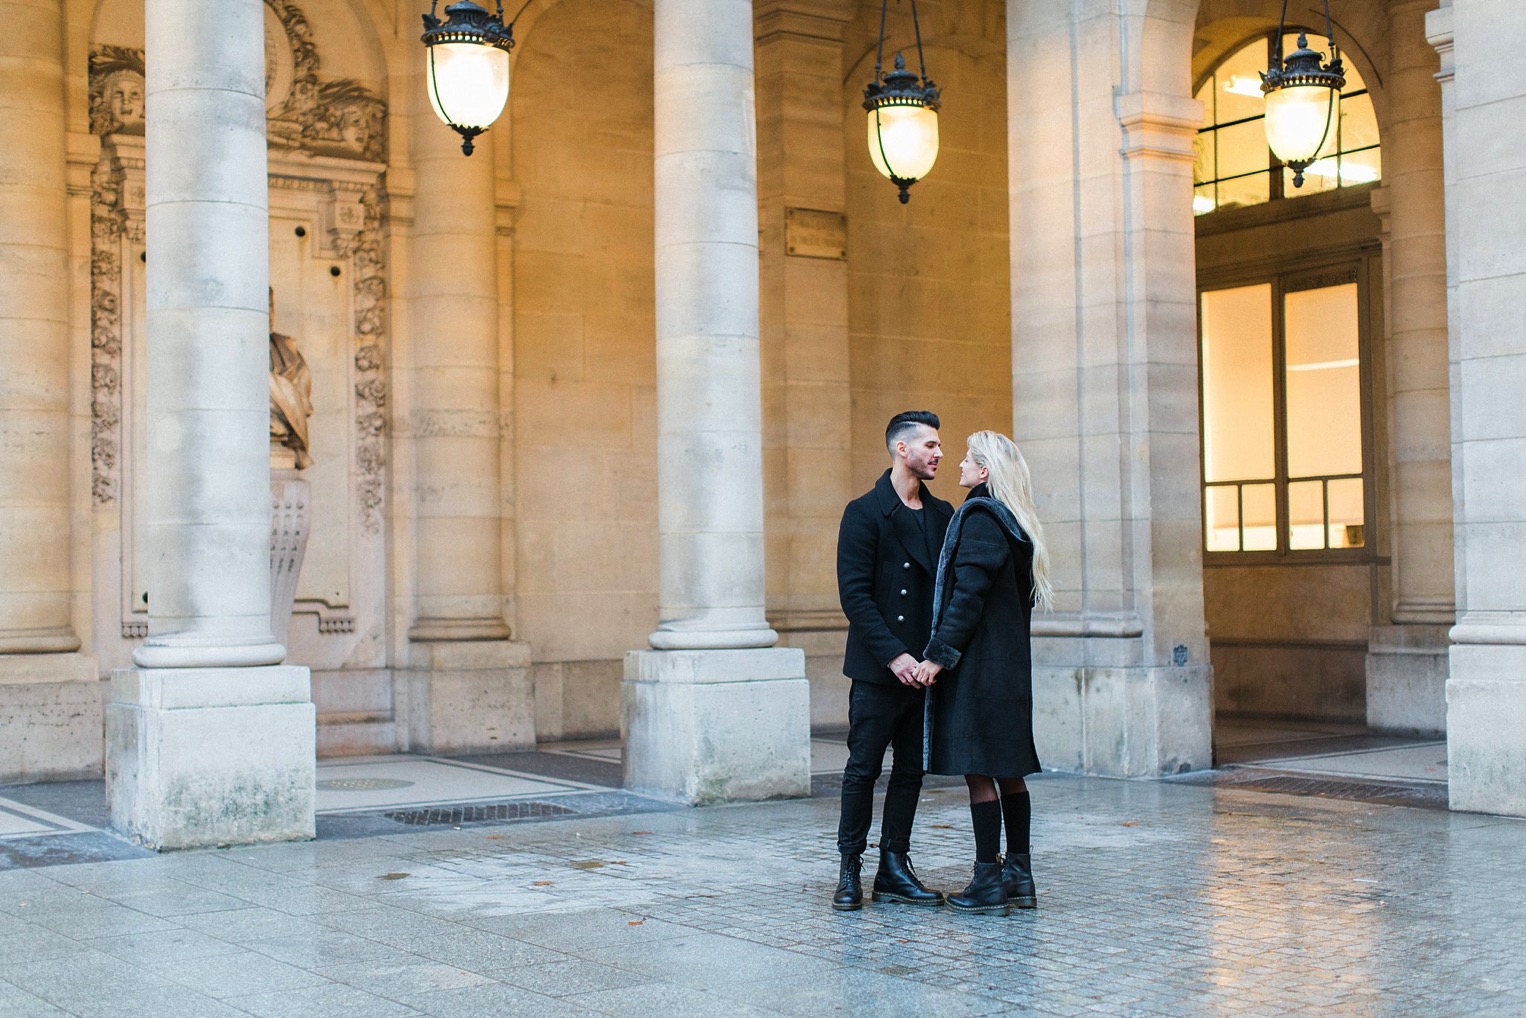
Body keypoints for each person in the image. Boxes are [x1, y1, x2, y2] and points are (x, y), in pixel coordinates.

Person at [913, 431, 1055, 915]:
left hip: (979, 669)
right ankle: (1020, 876)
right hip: (1009, 668)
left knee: (979, 773)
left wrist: (938, 654)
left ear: (985, 471)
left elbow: (966, 596)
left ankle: (987, 881)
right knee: (1009, 773)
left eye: (968, 459)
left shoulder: (980, 518)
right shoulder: (1015, 522)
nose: (958, 465)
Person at [832, 410, 954, 911]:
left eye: (939, 446)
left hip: (925, 671)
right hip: (881, 670)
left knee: (910, 772)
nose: (939, 454)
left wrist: (933, 657)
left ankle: (894, 867)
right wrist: (895, 656)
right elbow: (855, 596)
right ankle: (848, 869)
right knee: (862, 769)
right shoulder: (864, 512)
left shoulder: (945, 513)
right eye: (929, 445)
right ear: (901, 449)